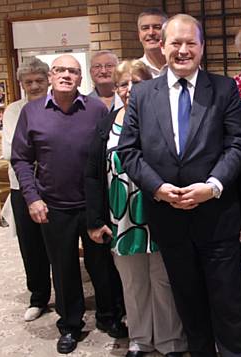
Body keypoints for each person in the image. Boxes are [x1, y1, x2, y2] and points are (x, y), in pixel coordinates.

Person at [117, 14, 241, 357]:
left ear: (202, 47)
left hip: (217, 215)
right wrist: (157, 188)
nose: (183, 50)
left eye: (191, 42)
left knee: (228, 304)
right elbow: (128, 150)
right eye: (175, 43)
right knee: (188, 304)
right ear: (161, 47)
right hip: (169, 217)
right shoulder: (144, 93)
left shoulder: (223, 89)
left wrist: (213, 185)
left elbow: (237, 144)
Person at [11, 54, 127, 354]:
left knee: (101, 266)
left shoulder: (95, 111)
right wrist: (32, 198)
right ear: (51, 75)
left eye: (73, 71)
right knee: (63, 269)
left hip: (93, 205)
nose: (66, 75)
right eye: (60, 70)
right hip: (53, 206)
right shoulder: (32, 112)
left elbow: (106, 156)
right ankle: (70, 325)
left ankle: (108, 316)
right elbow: (21, 159)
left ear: (80, 78)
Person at [85, 59, 188, 357]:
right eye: (123, 84)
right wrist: (94, 219)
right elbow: (91, 173)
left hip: (160, 213)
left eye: (138, 82)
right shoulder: (107, 122)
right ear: (116, 89)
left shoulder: (163, 120)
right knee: (132, 283)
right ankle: (140, 340)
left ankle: (171, 342)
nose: (130, 89)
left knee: (163, 280)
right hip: (122, 218)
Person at [2, 57, 51, 322]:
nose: (34, 86)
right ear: (21, 84)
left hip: (55, 186)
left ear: (48, 80)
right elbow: (11, 151)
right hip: (22, 187)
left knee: (58, 243)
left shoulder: (57, 105)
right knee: (31, 245)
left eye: (39, 81)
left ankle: (68, 296)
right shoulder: (13, 110)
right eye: (28, 82)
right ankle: (38, 297)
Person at [137, 8, 168, 78]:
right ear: (139, 35)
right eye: (145, 28)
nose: (151, 33)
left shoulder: (179, 67)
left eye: (157, 27)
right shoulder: (133, 71)